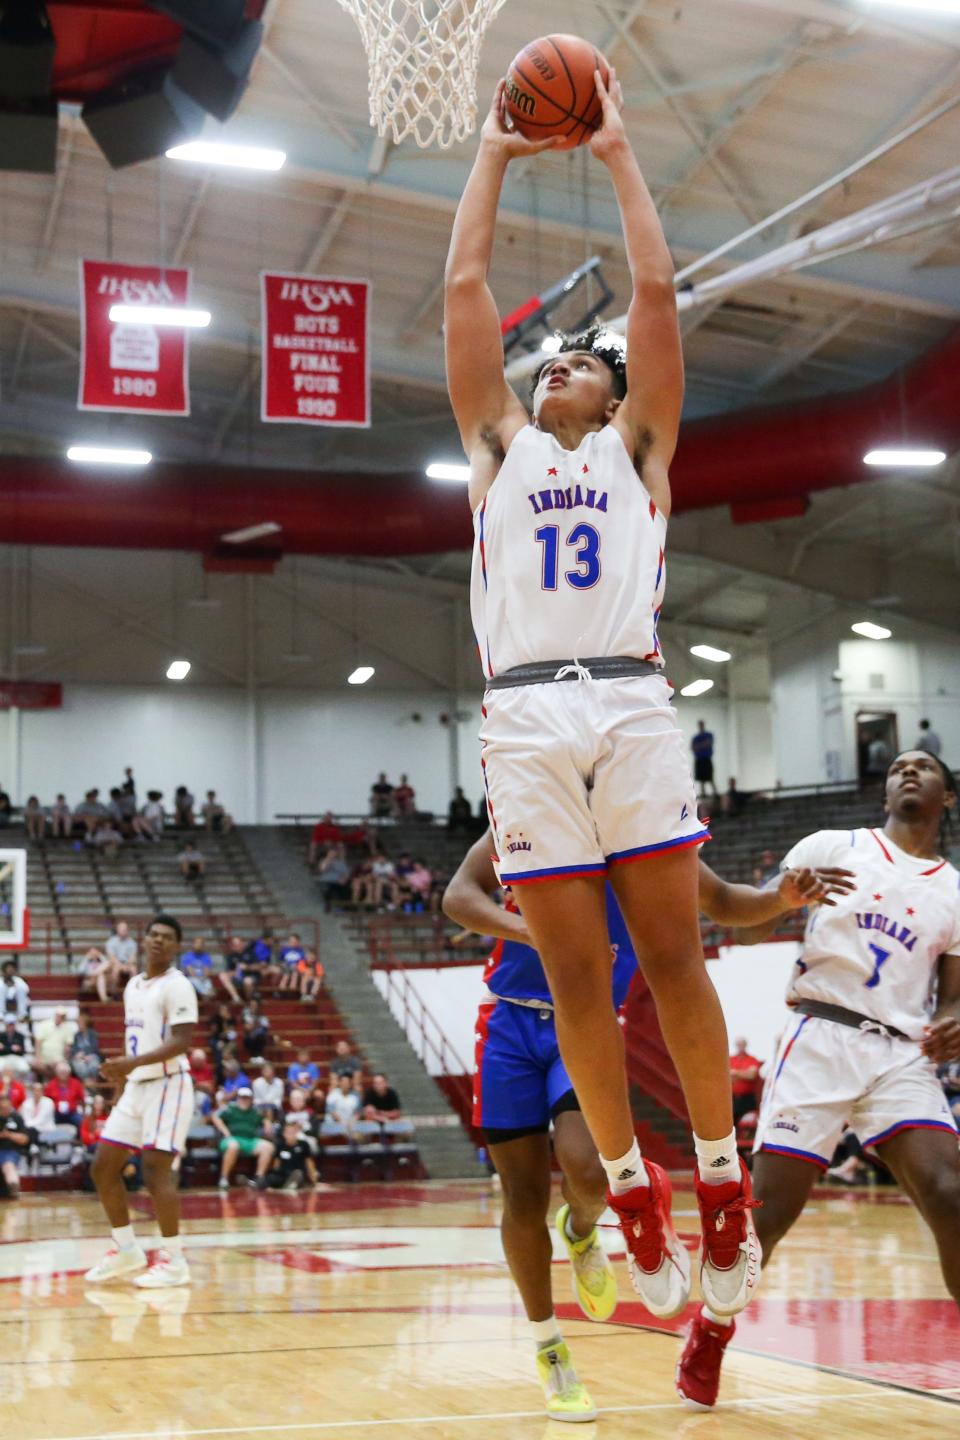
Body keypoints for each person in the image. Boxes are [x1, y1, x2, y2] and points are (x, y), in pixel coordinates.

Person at [446, 71, 759, 1323]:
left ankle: (721, 1186)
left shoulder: (642, 455)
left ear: (619, 401)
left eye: (582, 361)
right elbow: (465, 292)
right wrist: (492, 154)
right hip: (523, 715)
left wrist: (620, 150)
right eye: (554, 359)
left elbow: (658, 293)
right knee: (580, 980)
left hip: (628, 702)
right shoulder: (495, 451)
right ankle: (632, 1196)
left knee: (673, 958)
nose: (561, 364)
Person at [443, 828, 852, 1418]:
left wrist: (781, 899)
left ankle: (582, 1227)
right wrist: (528, 930)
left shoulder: (644, 827)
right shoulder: (528, 810)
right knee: (522, 1197)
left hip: (583, 1028)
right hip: (507, 1021)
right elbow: (458, 896)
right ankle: (550, 1349)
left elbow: (726, 902)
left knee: (587, 1172)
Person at [677, 750, 960, 1410]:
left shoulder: (954, 890)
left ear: (948, 796)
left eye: (923, 767)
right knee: (770, 1216)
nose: (907, 772)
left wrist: (954, 1021)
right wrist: (783, 897)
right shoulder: (835, 846)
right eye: (897, 767)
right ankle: (712, 1330)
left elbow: (953, 997)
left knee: (951, 1191)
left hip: (899, 1054)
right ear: (886, 790)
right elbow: (744, 932)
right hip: (821, 1035)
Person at [83, 914, 197, 1288]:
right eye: (153, 935)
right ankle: (126, 1248)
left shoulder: (178, 986)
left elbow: (181, 1042)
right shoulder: (133, 985)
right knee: (103, 1167)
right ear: (143, 941)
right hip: (136, 1086)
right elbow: (139, 1040)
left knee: (154, 1170)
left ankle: (175, 1259)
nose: (158, 941)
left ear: (176, 946)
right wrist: (122, 1080)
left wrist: (130, 1064)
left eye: (167, 937)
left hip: (168, 1085)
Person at [212, 1087, 275, 1190]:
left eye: (247, 1098)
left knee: (268, 1147)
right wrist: (225, 1131)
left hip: (250, 1140)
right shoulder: (229, 1109)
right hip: (232, 1139)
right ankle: (224, 1178)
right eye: (242, 1098)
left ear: (251, 1099)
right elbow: (215, 1116)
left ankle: (259, 1178)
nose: (244, 1100)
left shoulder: (255, 1111)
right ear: (238, 1098)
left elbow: (265, 1118)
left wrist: (267, 1122)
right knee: (233, 1146)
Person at [265, 1120, 320, 1190]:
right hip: (283, 1175)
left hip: (298, 1175)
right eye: (288, 1132)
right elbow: (276, 1164)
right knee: (270, 1177)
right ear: (284, 1134)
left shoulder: (303, 1144)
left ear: (296, 1133)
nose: (290, 1135)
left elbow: (309, 1163)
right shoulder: (280, 1145)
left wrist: (314, 1181)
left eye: (292, 1132)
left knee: (298, 1174)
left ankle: (288, 1188)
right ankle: (286, 1188)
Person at [0, 1094, 29, 1198]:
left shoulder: (17, 1118)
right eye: (2, 1108)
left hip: (11, 1151)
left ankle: (14, 1188)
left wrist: (9, 1135)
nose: (5, 1110)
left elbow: (24, 1139)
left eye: (7, 1108)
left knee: (8, 1166)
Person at [33, 1006, 77, 1073]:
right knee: (36, 1065)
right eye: (59, 1015)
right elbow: (38, 1042)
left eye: (62, 1016)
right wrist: (38, 1058)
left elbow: (67, 1047)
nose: (60, 1018)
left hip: (59, 1059)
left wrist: (65, 1060)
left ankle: (49, 1081)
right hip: (44, 1058)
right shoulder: (45, 1024)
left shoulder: (68, 1029)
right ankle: (50, 1081)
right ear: (55, 1015)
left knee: (62, 1068)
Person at [729, 1038, 762, 1125]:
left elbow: (751, 1075)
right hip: (732, 1099)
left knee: (748, 1124)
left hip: (747, 1099)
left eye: (742, 1044)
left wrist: (735, 1073)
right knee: (730, 1124)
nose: (741, 1046)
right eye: (739, 1044)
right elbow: (726, 1076)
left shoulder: (752, 1059)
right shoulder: (730, 1059)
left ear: (746, 1045)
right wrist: (743, 1073)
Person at [69, 1011, 103, 1082]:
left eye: (81, 1023)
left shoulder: (92, 1033)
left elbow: (94, 1047)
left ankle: (90, 1089)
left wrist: (85, 1054)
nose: (79, 1025)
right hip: (79, 1057)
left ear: (86, 1023)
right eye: (78, 1023)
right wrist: (77, 1054)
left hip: (91, 1055)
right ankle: (92, 1089)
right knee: (81, 1068)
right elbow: (74, 1048)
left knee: (93, 1065)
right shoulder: (76, 1035)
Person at [316, 845, 350, 912]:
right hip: (327, 880)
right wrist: (328, 860)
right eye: (331, 853)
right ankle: (328, 905)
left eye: (334, 853)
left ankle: (342, 907)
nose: (332, 854)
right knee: (328, 888)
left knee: (345, 887)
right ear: (327, 853)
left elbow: (346, 873)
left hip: (339, 880)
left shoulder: (340, 862)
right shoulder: (324, 861)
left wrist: (344, 878)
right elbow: (323, 870)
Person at [1, 959, 31, 1034]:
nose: (10, 971)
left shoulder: (18, 981)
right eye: (8, 969)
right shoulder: (0, 982)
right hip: (3, 1010)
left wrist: (14, 986)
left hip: (16, 1010)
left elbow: (26, 990)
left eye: (12, 969)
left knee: (21, 989)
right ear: (4, 970)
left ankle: (22, 1014)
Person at [691, 721, 716, 799]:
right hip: (699, 760)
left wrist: (699, 746)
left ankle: (715, 794)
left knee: (710, 777)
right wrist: (703, 744)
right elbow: (692, 748)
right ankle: (703, 794)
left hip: (706, 759)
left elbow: (709, 743)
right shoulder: (695, 737)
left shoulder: (708, 734)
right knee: (701, 779)